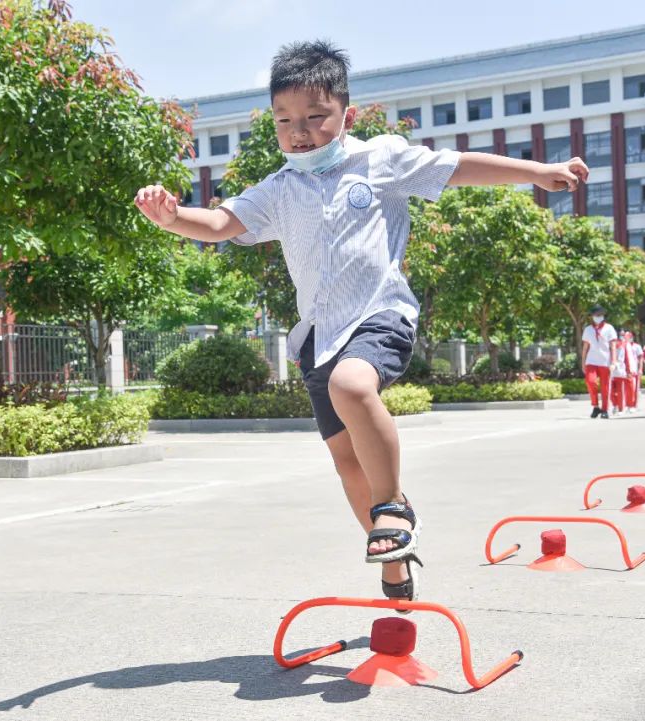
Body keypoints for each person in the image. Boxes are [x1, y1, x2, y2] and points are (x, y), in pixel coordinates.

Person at [133, 40, 589, 601]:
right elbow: (220, 223)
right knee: (348, 465)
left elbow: (457, 166)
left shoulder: (381, 160)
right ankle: (394, 562)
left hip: (380, 314)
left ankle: (394, 507)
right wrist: (171, 217)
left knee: (354, 384)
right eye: (285, 120)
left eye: (315, 117)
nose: (300, 131)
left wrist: (536, 171)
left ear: (346, 114)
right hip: (318, 337)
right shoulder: (277, 189)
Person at [581, 304, 617, 419]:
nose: (599, 316)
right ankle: (595, 405)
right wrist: (583, 362)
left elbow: (613, 346)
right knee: (590, 382)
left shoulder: (609, 328)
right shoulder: (588, 329)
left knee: (605, 387)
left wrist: (613, 362)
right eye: (596, 315)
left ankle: (605, 409)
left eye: (601, 314)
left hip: (605, 361)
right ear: (592, 316)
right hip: (591, 360)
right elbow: (585, 347)